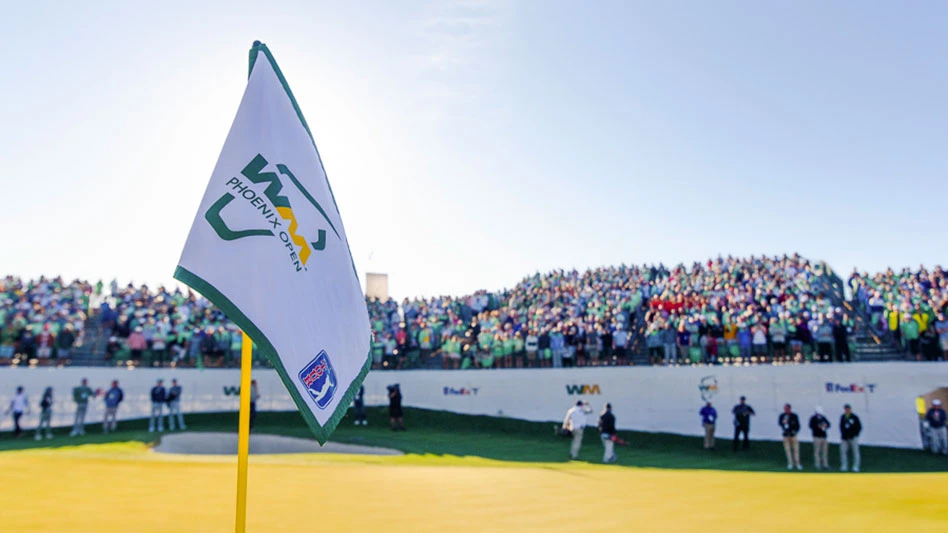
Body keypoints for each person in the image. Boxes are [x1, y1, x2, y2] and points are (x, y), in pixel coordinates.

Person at [778, 403, 802, 470]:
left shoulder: (794, 416)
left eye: (787, 408)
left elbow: (798, 425)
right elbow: (780, 423)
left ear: (789, 409)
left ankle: (797, 463)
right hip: (786, 435)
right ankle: (790, 463)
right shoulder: (782, 415)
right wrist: (784, 422)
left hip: (793, 435)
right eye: (785, 409)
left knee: (796, 449)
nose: (786, 410)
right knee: (787, 450)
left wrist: (795, 431)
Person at [840, 404, 862, 472]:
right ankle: (844, 466)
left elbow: (859, 427)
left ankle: (856, 466)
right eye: (846, 409)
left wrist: (855, 434)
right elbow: (841, 426)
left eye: (848, 409)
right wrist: (843, 434)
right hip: (845, 438)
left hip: (853, 437)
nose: (847, 410)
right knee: (843, 451)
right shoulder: (843, 417)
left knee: (855, 452)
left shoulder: (854, 417)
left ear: (850, 409)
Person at [808, 406, 831, 470]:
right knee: (817, 451)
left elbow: (828, 424)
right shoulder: (813, 418)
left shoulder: (823, 418)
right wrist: (818, 426)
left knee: (824, 451)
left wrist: (825, 426)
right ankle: (817, 464)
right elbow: (811, 426)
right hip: (817, 437)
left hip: (823, 436)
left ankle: (825, 465)